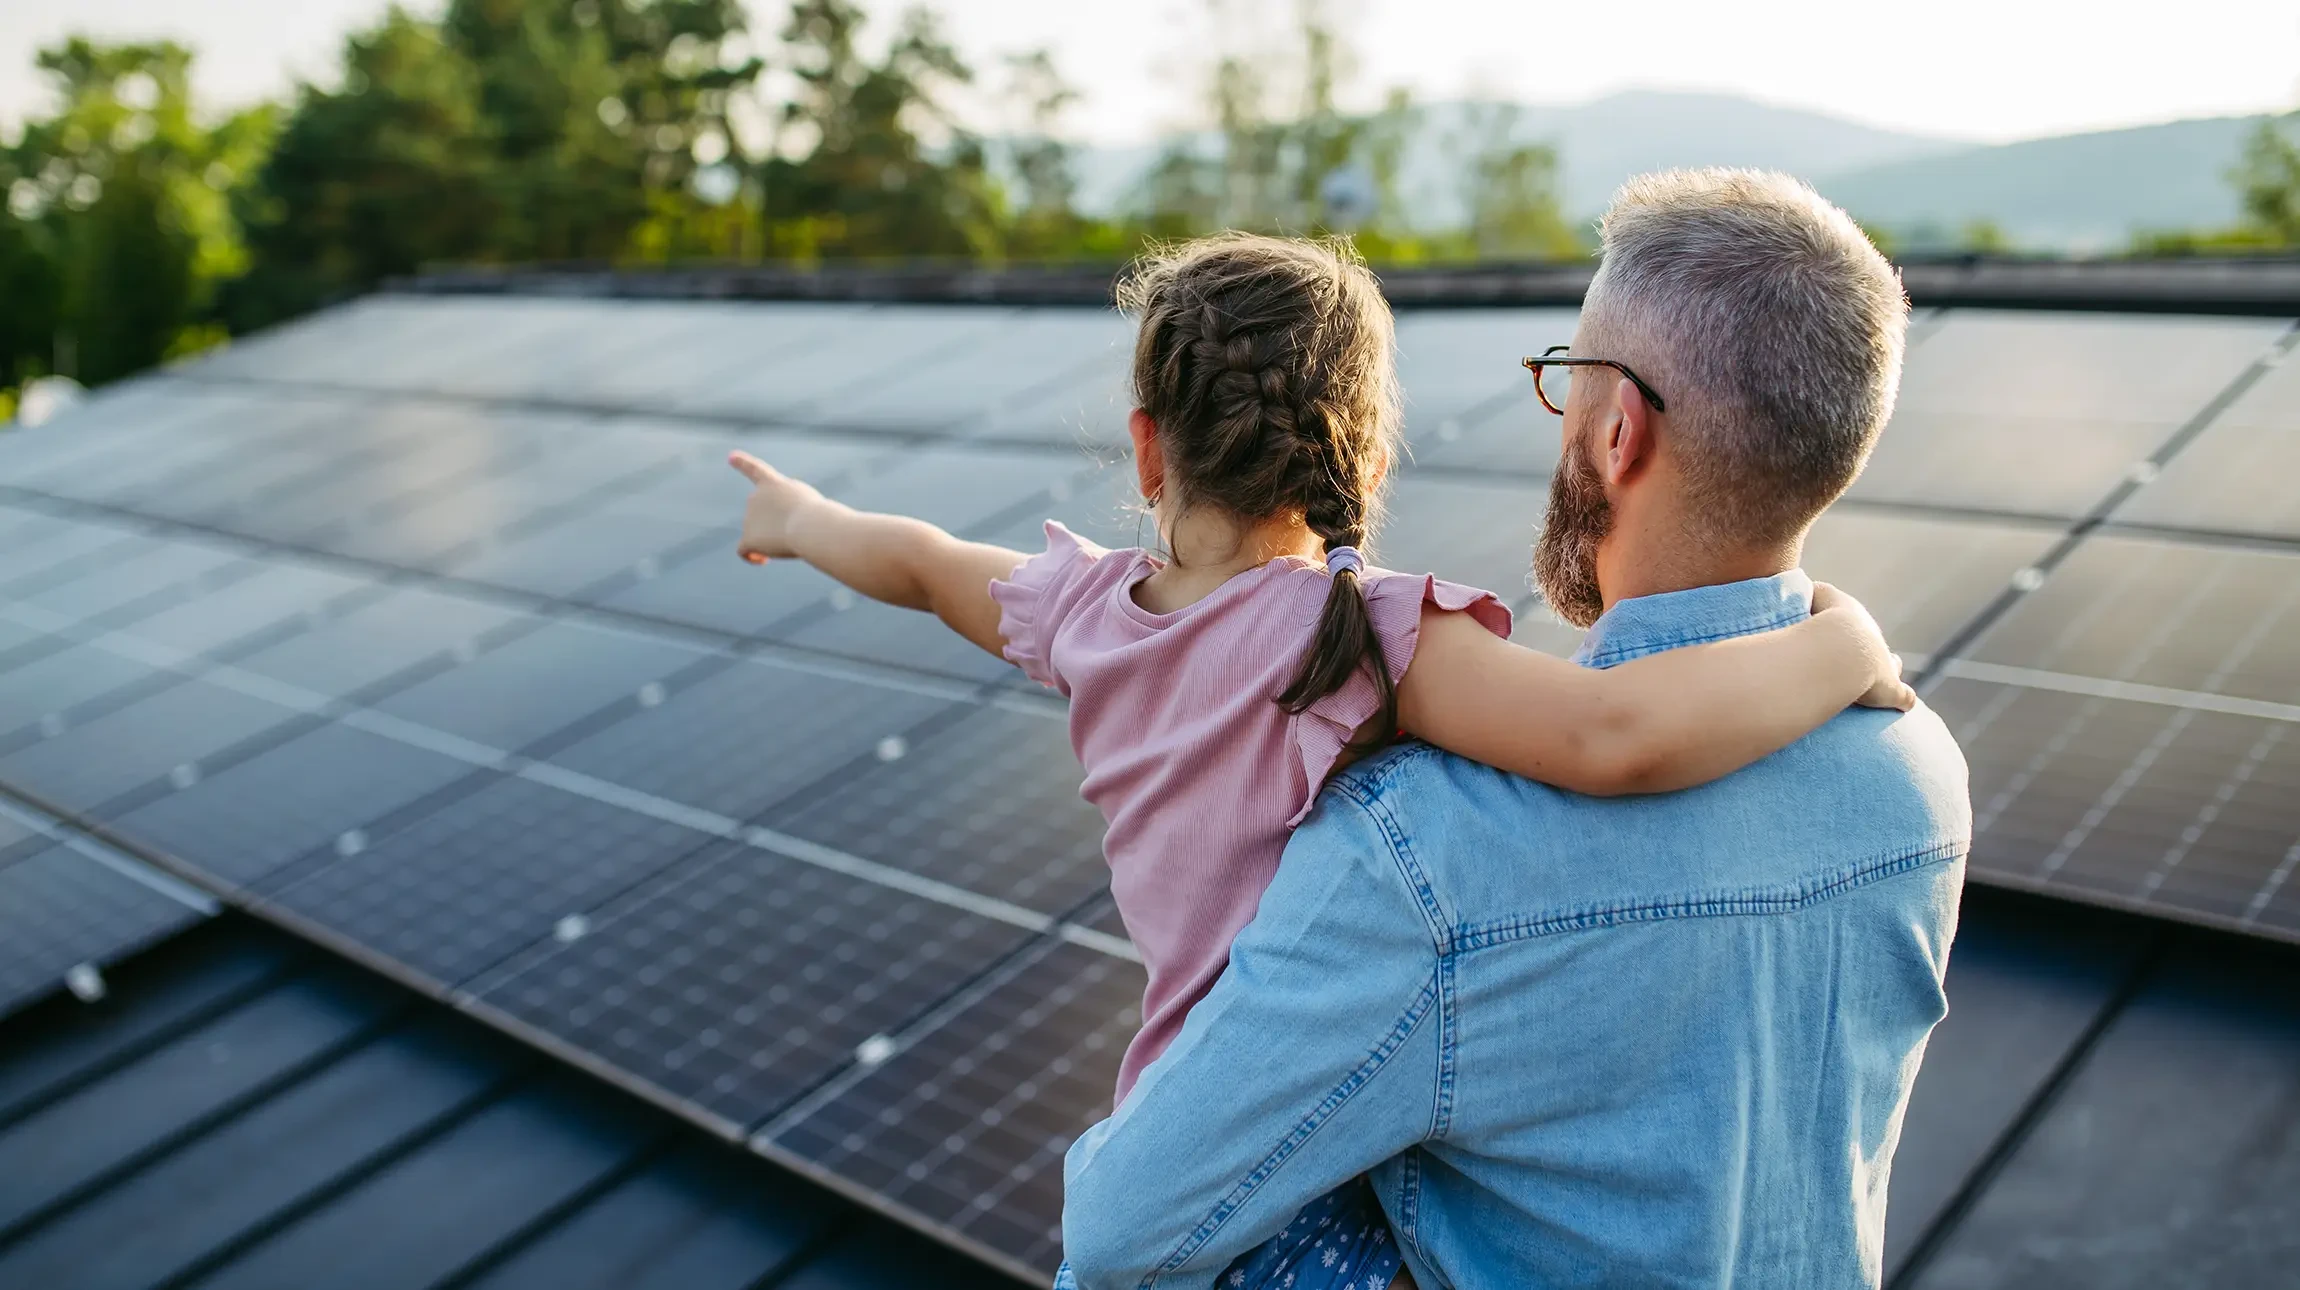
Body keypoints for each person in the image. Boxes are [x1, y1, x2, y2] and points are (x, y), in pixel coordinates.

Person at [727, 230, 1914, 1290]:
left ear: (1148, 452)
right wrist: (1842, 642)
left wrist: (800, 519)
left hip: (1195, 1126)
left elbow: (924, 563)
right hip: (1294, 1200)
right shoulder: (1357, 640)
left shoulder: (1082, 613)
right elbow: (1616, 736)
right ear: (1362, 453)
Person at [1055, 173, 1972, 1290]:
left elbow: (1118, 1233)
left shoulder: (1423, 851)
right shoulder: (1919, 779)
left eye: (1564, 382)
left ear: (1618, 430)